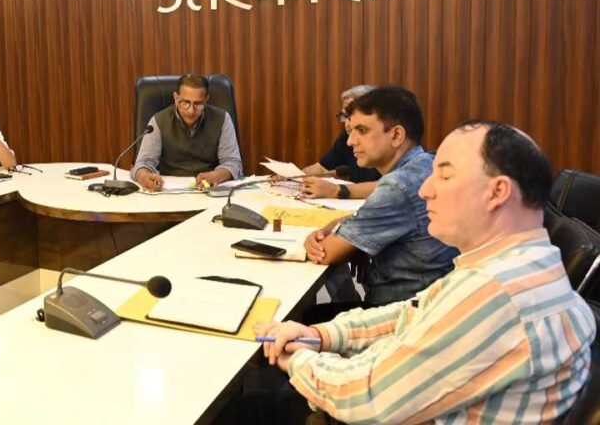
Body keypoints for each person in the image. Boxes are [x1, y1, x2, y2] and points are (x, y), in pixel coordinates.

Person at [248, 121, 595, 424]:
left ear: (497, 192)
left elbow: (365, 397)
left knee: (248, 405)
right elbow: (411, 312)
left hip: (371, 405)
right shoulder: (517, 267)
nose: (426, 189)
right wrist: (320, 335)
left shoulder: (497, 293)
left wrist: (296, 357)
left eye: (444, 175)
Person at [302, 86, 457, 316]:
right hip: (433, 304)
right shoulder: (428, 163)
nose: (350, 141)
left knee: (305, 318)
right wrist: (337, 230)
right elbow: (356, 224)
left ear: (396, 135)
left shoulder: (397, 186)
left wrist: (314, 238)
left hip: (401, 314)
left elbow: (327, 252)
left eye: (362, 131)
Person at [131, 74, 242, 191]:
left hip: (209, 189)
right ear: (176, 98)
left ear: (206, 100)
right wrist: (143, 177)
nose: (191, 110)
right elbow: (143, 163)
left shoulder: (222, 119)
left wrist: (215, 176)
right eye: (185, 102)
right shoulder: (158, 121)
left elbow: (233, 163)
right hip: (168, 190)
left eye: (198, 104)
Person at [300, 84, 380, 200]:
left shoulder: (388, 142)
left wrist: (336, 190)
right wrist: (292, 177)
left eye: (351, 115)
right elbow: (322, 168)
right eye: (344, 115)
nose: (347, 124)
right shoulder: (347, 137)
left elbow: (392, 186)